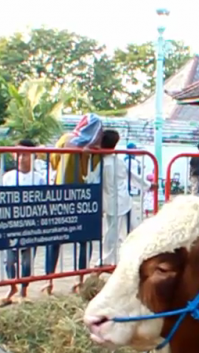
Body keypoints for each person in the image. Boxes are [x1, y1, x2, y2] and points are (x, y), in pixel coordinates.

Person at [42, 114, 105, 295]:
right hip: (81, 197)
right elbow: (92, 170)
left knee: (55, 241)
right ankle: (78, 280)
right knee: (80, 241)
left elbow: (53, 163)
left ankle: (50, 280)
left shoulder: (66, 139)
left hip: (62, 195)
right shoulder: (93, 149)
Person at [0, 139, 46, 307]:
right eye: (18, 154)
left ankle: (24, 291)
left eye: (24, 154)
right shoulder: (8, 177)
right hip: (11, 225)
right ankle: (12, 286)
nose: (20, 158)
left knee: (27, 261)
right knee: (9, 260)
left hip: (30, 226)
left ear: (33, 156)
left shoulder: (39, 179)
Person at [87, 129, 148, 267]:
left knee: (112, 232)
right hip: (123, 199)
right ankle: (131, 257)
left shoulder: (104, 163)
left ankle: (107, 260)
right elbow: (132, 176)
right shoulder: (116, 160)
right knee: (129, 230)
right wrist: (148, 185)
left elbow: (91, 180)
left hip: (114, 201)